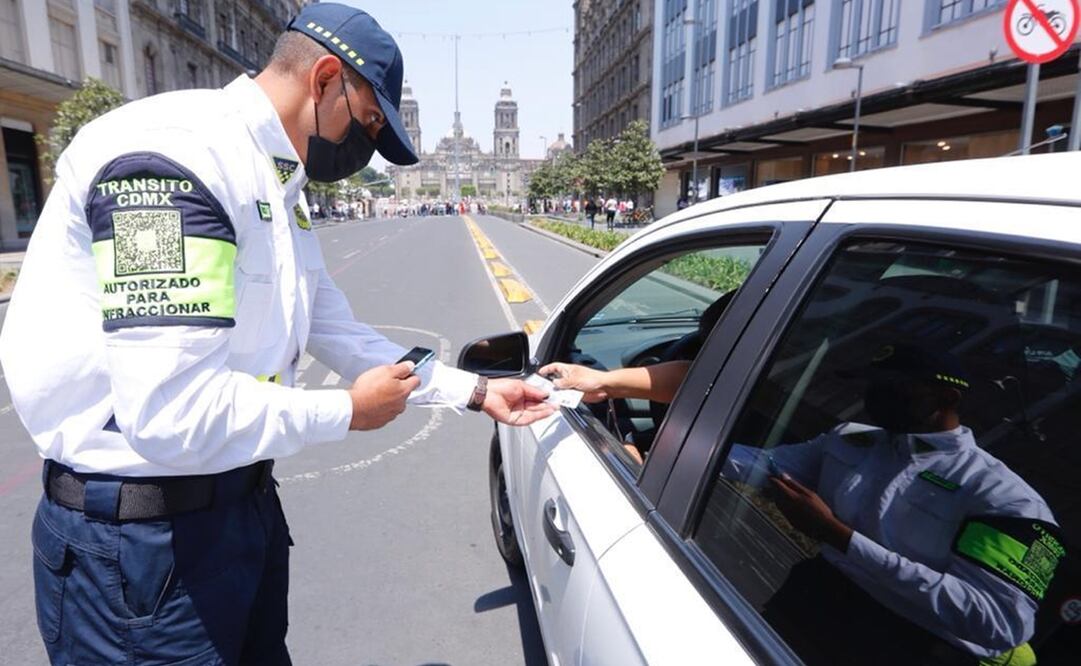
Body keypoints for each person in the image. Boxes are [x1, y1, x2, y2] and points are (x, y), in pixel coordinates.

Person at [0, 4, 553, 664]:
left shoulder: (273, 180)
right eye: (369, 121)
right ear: (324, 79)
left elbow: (333, 326)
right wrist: (346, 410)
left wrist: (472, 391)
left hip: (239, 515)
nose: (364, 148)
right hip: (138, 549)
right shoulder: (170, 160)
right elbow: (169, 412)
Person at [545, 344, 1061, 664]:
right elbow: (764, 466)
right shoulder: (854, 438)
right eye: (869, 387)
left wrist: (840, 537)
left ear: (945, 399)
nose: (872, 399)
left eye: (890, 389)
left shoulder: (1008, 500)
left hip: (921, 646)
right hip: (820, 602)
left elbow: (998, 624)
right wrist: (670, 453)